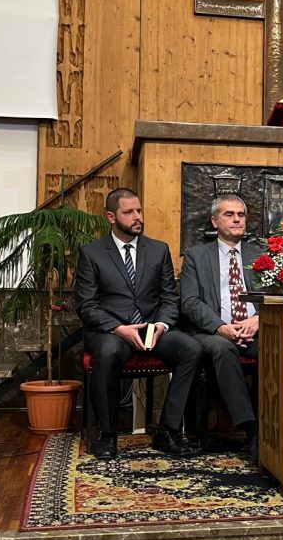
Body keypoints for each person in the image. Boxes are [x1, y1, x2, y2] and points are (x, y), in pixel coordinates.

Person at [75, 187, 202, 458]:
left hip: (151, 329)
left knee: (191, 348)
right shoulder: (92, 253)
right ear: (111, 217)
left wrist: (161, 326)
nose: (137, 217)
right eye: (129, 212)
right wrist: (119, 328)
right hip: (112, 331)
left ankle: (167, 431)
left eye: (139, 210)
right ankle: (108, 434)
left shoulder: (158, 250)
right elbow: (86, 305)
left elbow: (169, 298)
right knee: (107, 352)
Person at [179, 195, 262, 460]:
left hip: (254, 331)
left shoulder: (260, 256)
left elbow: (274, 295)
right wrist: (221, 327)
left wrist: (258, 319)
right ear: (215, 222)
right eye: (229, 214)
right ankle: (252, 430)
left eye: (241, 215)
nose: (237, 219)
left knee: (279, 347)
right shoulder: (196, 256)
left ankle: (278, 424)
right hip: (213, 333)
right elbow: (190, 302)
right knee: (223, 349)